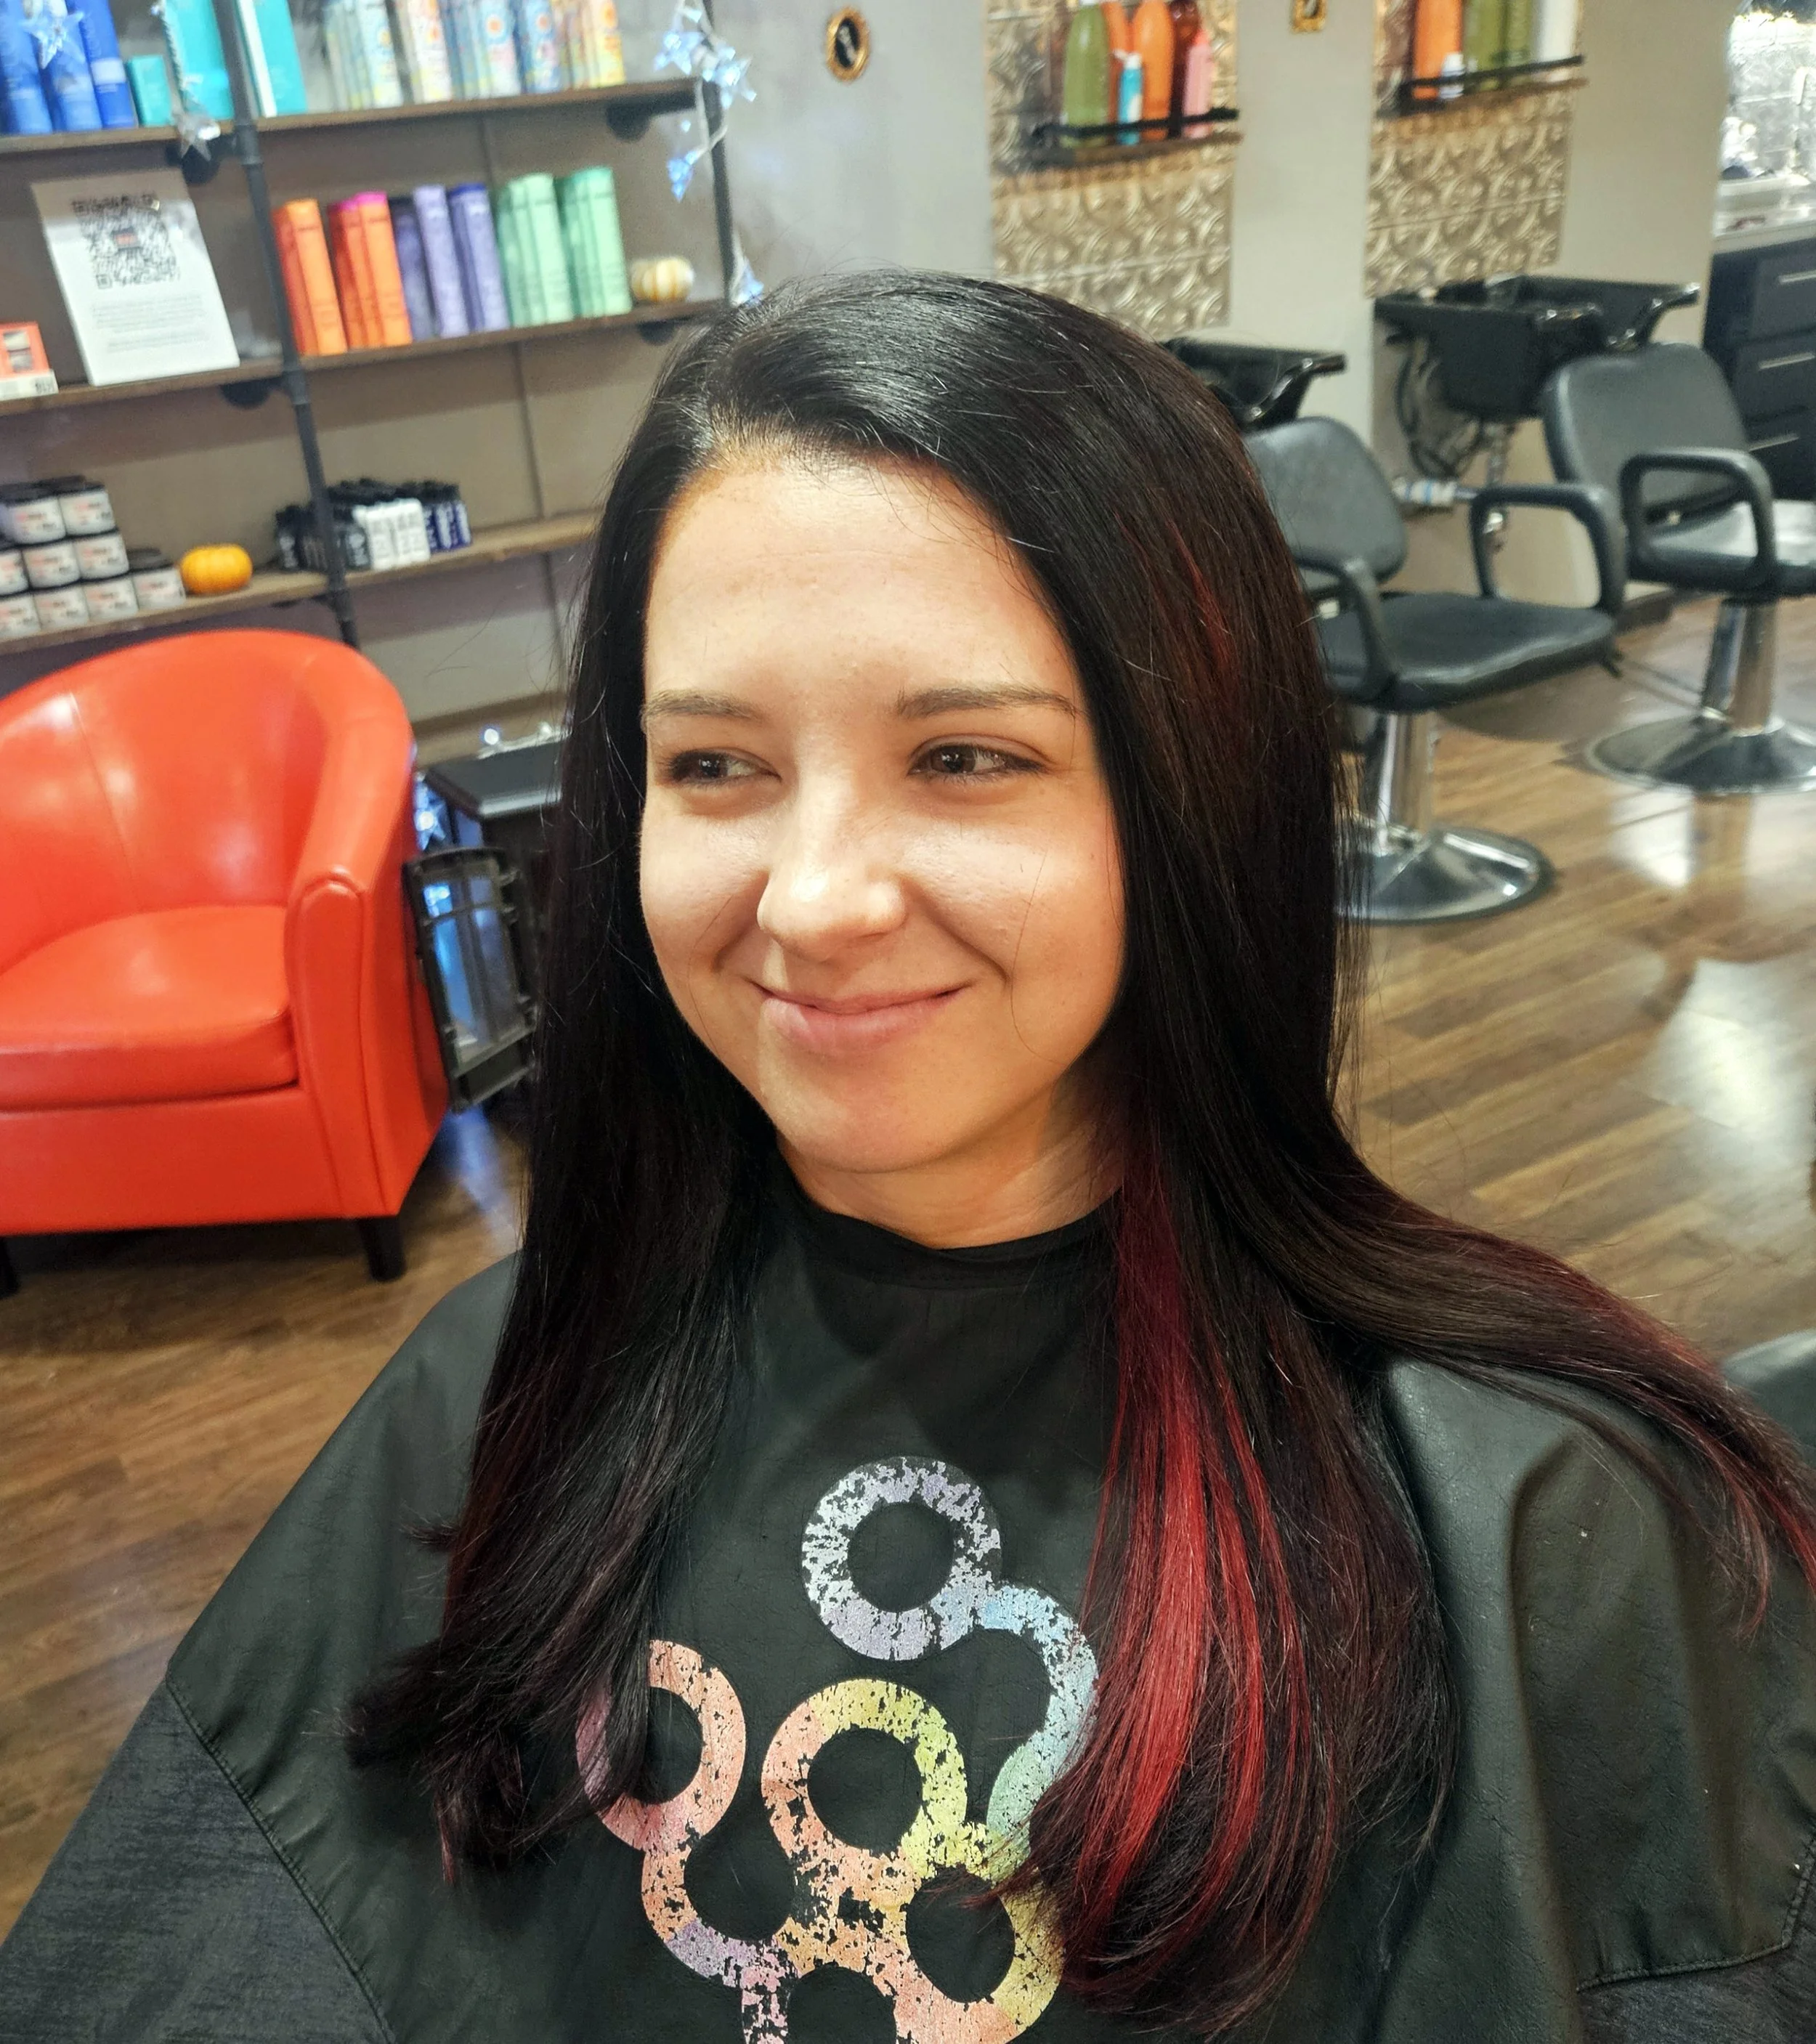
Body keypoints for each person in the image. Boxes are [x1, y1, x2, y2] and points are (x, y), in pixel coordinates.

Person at [4, 272, 1816, 2044]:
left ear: (1191, 793)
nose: (811, 900)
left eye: (962, 756)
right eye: (716, 766)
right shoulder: (497, 1393)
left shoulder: (1532, 1514)